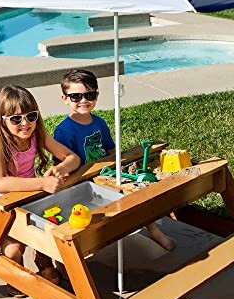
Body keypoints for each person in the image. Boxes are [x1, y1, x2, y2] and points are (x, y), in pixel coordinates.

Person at [54, 69, 175, 251]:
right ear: (65, 99)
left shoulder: (99, 122)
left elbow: (110, 149)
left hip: (106, 174)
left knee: (136, 192)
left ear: (97, 95)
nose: (84, 101)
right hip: (82, 182)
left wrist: (122, 163)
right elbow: (61, 166)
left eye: (89, 95)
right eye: (76, 97)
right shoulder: (64, 131)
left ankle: (153, 229)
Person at [0, 86, 80, 296]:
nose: (25, 124)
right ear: (2, 119)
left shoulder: (37, 134)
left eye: (31, 116)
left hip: (30, 198)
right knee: (15, 251)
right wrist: (42, 184)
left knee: (53, 228)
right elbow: (0, 183)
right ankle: (16, 272)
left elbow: (73, 158)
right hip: (1, 205)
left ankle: (43, 259)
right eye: (16, 119)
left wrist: (60, 168)